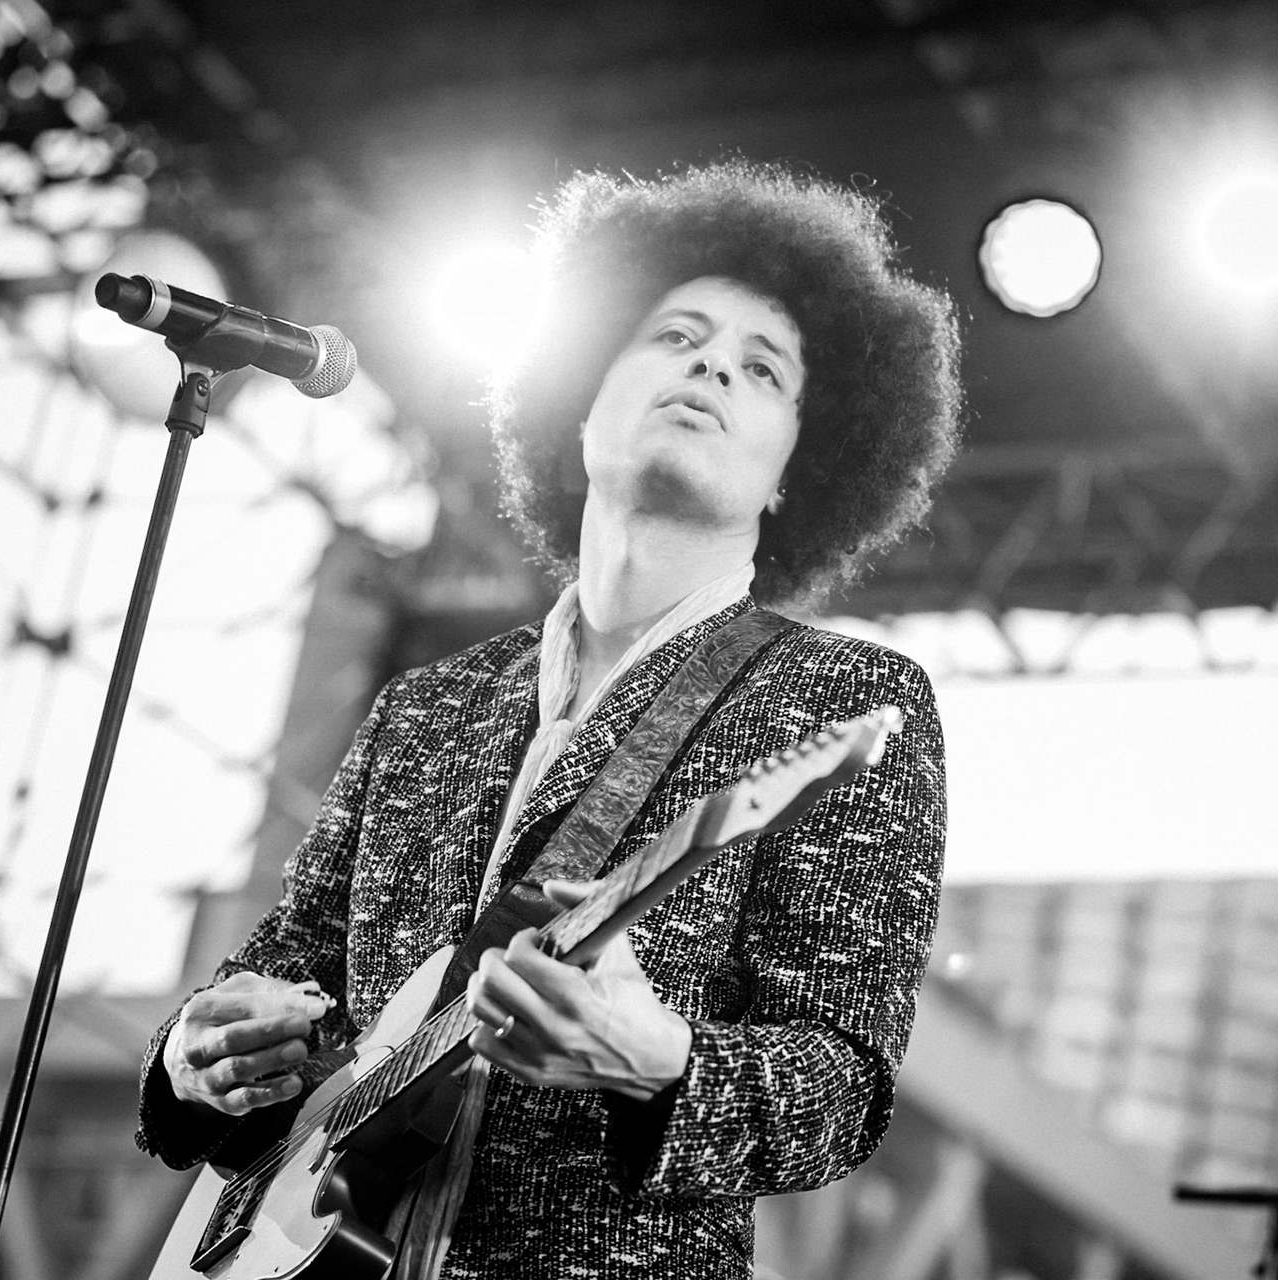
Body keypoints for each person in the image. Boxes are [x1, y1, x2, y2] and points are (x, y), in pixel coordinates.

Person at [136, 160, 963, 1279]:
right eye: (676, 335)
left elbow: (840, 1089)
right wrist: (197, 1055)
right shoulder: (424, 710)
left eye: (763, 368)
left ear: (791, 474)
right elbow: (282, 972)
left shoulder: (846, 701)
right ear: (580, 401)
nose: (713, 361)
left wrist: (656, 1057)